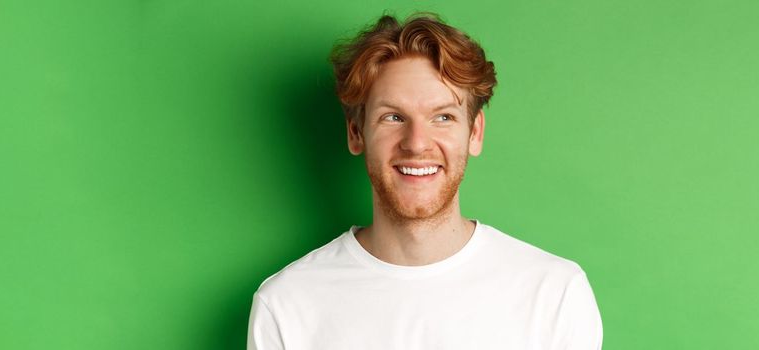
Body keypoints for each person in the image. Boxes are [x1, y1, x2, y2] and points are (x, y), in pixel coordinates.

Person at [247, 12, 603, 349]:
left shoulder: (553, 294)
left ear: (475, 133)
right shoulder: (287, 304)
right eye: (393, 117)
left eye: (443, 117)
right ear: (356, 133)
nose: (416, 143)